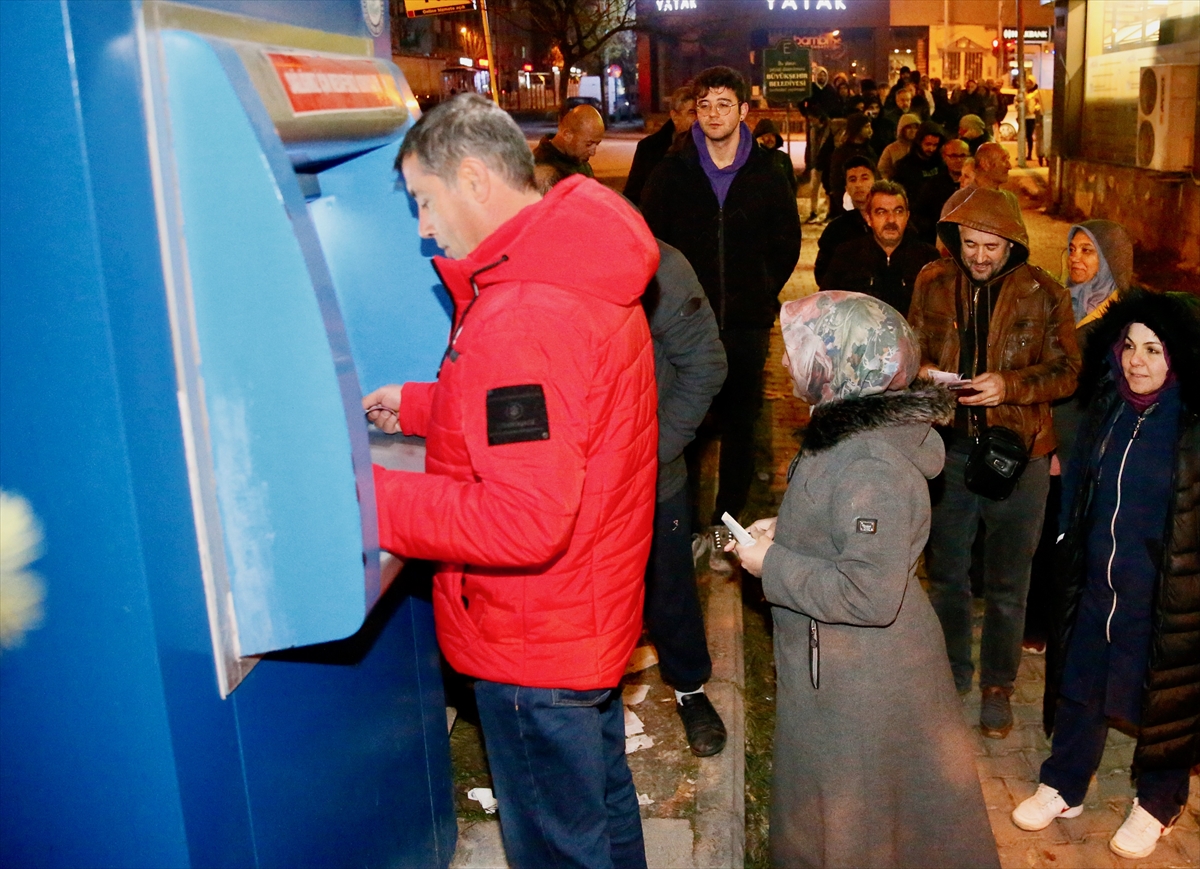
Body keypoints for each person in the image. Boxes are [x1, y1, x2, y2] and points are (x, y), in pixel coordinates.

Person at [365, 94, 657, 869]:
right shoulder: (569, 264)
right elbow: (560, 413)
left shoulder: (523, 310)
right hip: (581, 610)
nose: (424, 226)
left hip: (534, 639)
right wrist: (425, 407)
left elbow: (523, 518)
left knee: (561, 849)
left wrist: (368, 500)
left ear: (472, 178)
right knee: (600, 808)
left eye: (425, 200)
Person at [727, 291, 1001, 869]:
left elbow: (867, 592)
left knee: (860, 824)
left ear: (841, 362)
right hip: (848, 667)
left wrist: (769, 564)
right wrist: (790, 526)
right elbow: (852, 529)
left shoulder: (869, 463)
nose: (786, 363)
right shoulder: (843, 430)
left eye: (800, 351)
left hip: (863, 684)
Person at [1012, 289, 1200, 861]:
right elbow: (1086, 491)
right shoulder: (1110, 407)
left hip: (1164, 595)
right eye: (1128, 347)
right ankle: (1064, 783)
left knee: (1167, 698)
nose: (1136, 361)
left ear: (1178, 358)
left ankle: (1160, 801)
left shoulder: (1191, 427)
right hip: (1098, 582)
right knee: (1081, 682)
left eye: (1153, 350)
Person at [908, 186, 1081, 739]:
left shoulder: (1045, 293)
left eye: (991, 245)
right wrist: (929, 373)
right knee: (948, 574)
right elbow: (910, 350)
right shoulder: (933, 282)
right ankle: (953, 673)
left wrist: (1007, 385)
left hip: (1019, 454)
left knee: (1010, 582)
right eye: (969, 244)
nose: (979, 256)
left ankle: (998, 686)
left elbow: (1068, 372)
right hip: (951, 449)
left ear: (1012, 242)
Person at [641, 66, 801, 532]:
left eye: (723, 105)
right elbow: (652, 244)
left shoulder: (769, 171)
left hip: (746, 323)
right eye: (705, 105)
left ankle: (725, 520)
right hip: (684, 325)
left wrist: (760, 290)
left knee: (740, 424)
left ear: (743, 111)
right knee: (682, 419)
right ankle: (683, 522)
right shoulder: (672, 171)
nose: (713, 114)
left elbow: (786, 242)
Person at [1023, 220, 1136, 653]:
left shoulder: (1122, 323)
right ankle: (1039, 623)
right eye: (1073, 249)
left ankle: (1063, 628)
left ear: (1111, 261)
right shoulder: (1060, 305)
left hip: (1089, 451)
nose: (1076, 259)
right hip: (1049, 442)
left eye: (1089, 251)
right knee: (1045, 537)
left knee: (1077, 542)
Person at [818, 180, 940, 317]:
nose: (891, 220)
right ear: (869, 218)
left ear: (907, 216)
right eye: (881, 212)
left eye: (898, 211)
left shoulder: (928, 259)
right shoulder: (847, 256)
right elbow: (824, 307)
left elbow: (940, 314)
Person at [624, 86, 695, 206]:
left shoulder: (708, 147)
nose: (697, 119)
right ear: (675, 116)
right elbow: (632, 196)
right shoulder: (648, 148)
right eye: (692, 113)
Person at [813, 155, 876, 285]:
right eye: (852, 180)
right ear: (846, 188)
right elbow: (823, 273)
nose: (859, 185)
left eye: (864, 178)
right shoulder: (836, 230)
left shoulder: (888, 221)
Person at [532, 103, 605, 191]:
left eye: (597, 144)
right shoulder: (540, 167)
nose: (593, 152)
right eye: (588, 144)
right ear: (567, 135)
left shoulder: (579, 160)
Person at [912, 137, 968, 244]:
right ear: (944, 157)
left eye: (963, 156)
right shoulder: (933, 185)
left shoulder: (975, 186)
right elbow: (918, 214)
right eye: (953, 156)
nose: (959, 160)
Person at [828, 112, 876, 219]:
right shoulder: (842, 152)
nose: (870, 130)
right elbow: (836, 179)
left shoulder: (869, 150)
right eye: (866, 127)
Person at [892, 120, 946, 207]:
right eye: (928, 144)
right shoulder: (904, 166)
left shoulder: (941, 164)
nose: (931, 149)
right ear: (919, 142)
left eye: (935, 145)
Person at [802, 100, 832, 222]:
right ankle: (813, 211)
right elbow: (810, 146)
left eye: (812, 118)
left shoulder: (829, 129)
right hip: (815, 162)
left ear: (818, 117)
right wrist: (809, 161)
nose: (810, 121)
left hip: (826, 163)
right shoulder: (812, 130)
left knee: (829, 189)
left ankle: (830, 210)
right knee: (814, 187)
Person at [753, 117, 798, 195]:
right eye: (766, 135)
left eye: (773, 135)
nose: (770, 139)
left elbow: (791, 183)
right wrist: (756, 148)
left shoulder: (783, 158)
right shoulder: (751, 158)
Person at [876, 111, 921, 180]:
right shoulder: (891, 149)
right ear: (902, 129)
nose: (912, 130)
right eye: (908, 127)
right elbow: (882, 170)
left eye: (915, 127)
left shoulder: (922, 147)